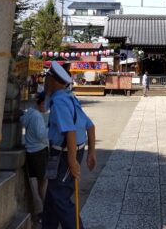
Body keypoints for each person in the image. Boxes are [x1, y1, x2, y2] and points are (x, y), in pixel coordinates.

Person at [43, 61, 96, 229]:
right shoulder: (70, 99)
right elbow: (90, 126)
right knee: (52, 196)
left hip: (64, 155)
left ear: (52, 80)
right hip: (70, 151)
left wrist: (72, 161)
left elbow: (70, 131)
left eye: (46, 77)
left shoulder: (59, 102)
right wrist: (91, 153)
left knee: (60, 197)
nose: (44, 81)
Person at [20, 90, 49, 209]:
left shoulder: (30, 113)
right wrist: (51, 130)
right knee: (43, 181)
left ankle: (39, 208)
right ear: (41, 103)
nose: (47, 108)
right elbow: (41, 135)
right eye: (46, 104)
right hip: (39, 152)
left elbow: (22, 121)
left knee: (34, 180)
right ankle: (45, 208)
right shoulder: (37, 116)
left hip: (30, 151)